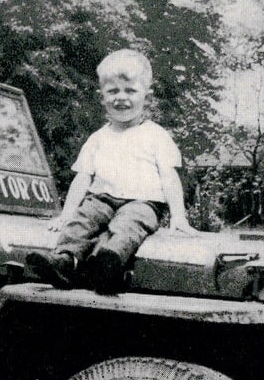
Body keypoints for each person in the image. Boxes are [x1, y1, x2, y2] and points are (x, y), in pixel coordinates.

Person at [26, 49, 197, 294]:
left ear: (146, 98)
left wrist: (179, 217)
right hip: (101, 199)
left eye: (130, 91)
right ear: (102, 97)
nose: (121, 98)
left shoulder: (156, 135)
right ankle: (65, 261)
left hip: (143, 203)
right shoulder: (98, 138)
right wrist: (66, 214)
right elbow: (83, 177)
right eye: (113, 91)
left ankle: (108, 265)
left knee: (128, 226)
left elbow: (169, 177)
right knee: (82, 221)